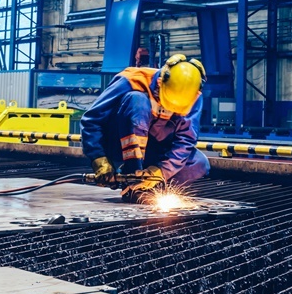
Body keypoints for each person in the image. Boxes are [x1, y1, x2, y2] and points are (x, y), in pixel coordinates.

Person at [82, 53, 210, 202]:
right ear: (161, 82)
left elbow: (186, 140)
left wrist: (161, 171)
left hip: (153, 149)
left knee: (199, 163)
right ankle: (131, 177)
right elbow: (91, 120)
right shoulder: (131, 79)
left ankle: (148, 189)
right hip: (119, 147)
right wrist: (99, 158)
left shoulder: (192, 95)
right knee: (138, 100)